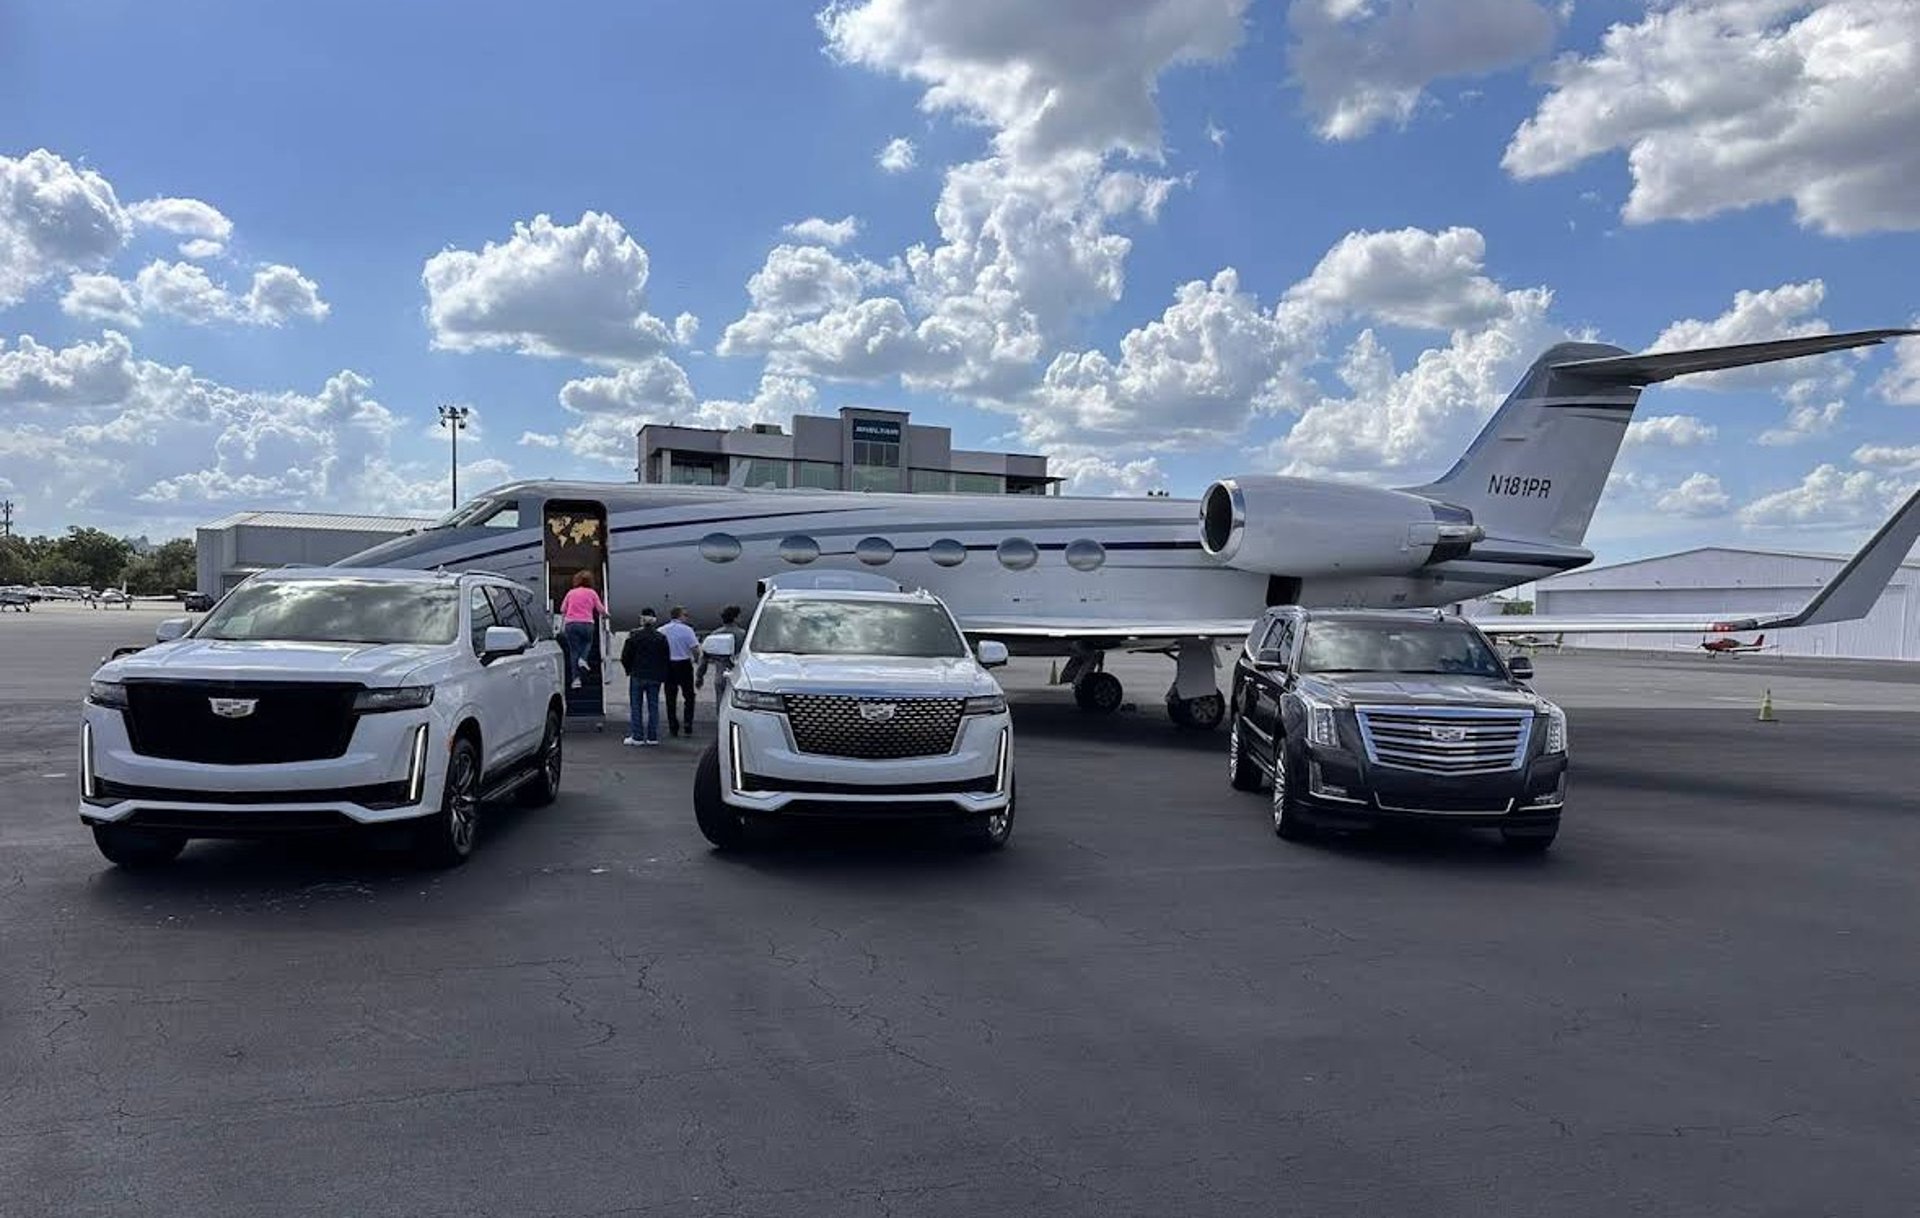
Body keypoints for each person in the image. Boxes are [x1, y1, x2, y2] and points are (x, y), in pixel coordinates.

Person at [619, 608, 670, 746]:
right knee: (653, 706)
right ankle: (652, 737)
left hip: (637, 674)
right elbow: (666, 658)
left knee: (636, 706)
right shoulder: (661, 637)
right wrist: (662, 674)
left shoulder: (634, 636)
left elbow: (625, 656)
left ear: (641, 620)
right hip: (654, 676)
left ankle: (637, 736)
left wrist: (629, 670)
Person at [558, 571, 608, 690]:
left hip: (571, 624)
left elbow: (562, 609)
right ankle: (583, 658)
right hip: (587, 623)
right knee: (587, 642)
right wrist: (606, 615)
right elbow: (600, 609)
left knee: (573, 651)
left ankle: (576, 680)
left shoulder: (571, 593)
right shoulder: (592, 593)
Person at [696, 604, 748, 705]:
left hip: (720, 676)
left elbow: (704, 659)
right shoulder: (743, 635)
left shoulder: (715, 634)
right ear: (735, 618)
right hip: (738, 677)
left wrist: (699, 676)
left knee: (721, 705)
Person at [660, 606, 699, 736]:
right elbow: (695, 648)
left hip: (668, 665)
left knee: (670, 697)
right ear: (680, 616)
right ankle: (688, 723)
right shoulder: (687, 630)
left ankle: (673, 725)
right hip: (684, 664)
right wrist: (696, 659)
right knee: (689, 696)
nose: (686, 617)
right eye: (685, 615)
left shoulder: (662, 630)